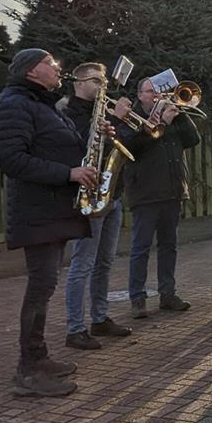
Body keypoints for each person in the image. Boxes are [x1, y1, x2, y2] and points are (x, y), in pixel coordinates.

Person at [0, 49, 94, 397]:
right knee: (41, 287)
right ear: (33, 71)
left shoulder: (43, 104)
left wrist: (101, 138)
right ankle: (27, 370)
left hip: (54, 210)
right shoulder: (14, 104)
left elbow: (67, 147)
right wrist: (68, 173)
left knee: (46, 285)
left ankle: (39, 357)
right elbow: (12, 159)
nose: (58, 70)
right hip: (37, 212)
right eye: (53, 66)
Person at [61, 62, 134, 351]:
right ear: (79, 82)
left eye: (103, 80)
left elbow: (116, 143)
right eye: (96, 80)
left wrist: (114, 125)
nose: (102, 85)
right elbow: (76, 144)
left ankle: (100, 317)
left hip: (110, 192)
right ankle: (75, 328)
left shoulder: (100, 110)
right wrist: (112, 120)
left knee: (105, 261)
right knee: (83, 263)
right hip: (88, 194)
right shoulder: (67, 111)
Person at [120, 76, 201, 318]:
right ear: (140, 95)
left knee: (169, 246)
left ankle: (168, 294)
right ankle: (137, 299)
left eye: (158, 91)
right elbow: (131, 148)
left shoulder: (173, 114)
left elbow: (193, 139)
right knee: (141, 247)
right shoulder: (130, 117)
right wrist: (161, 124)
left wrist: (181, 111)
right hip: (144, 192)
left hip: (172, 190)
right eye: (150, 91)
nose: (155, 95)